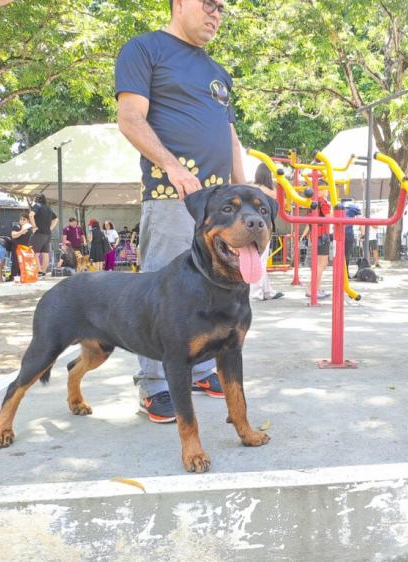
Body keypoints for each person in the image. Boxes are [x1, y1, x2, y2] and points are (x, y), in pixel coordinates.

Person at [116, 0, 245, 422]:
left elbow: (230, 136)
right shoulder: (145, 48)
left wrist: (244, 190)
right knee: (164, 294)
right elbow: (130, 118)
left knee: (217, 287)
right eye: (208, 4)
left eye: (221, 8)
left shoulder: (218, 71)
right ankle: (155, 385)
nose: (216, 14)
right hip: (171, 195)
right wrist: (172, 166)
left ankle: (202, 369)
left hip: (220, 209)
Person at [249, 163, 283, 301]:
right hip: (264, 227)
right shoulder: (271, 191)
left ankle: (267, 291)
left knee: (257, 259)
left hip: (250, 227)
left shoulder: (251, 188)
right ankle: (256, 292)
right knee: (260, 260)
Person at [305, 194, 331, 300]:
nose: (327, 191)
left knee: (321, 264)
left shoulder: (311, 201)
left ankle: (315, 288)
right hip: (322, 236)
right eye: (325, 188)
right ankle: (312, 289)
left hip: (316, 235)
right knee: (321, 264)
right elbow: (330, 217)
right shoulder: (322, 202)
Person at [29, 193, 58, 276]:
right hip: (48, 234)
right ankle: (44, 271)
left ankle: (39, 271)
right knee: (45, 253)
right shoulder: (48, 208)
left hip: (39, 233)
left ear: (36, 199)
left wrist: (34, 226)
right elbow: (56, 219)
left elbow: (31, 215)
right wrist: (50, 228)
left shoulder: (37, 205)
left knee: (34, 252)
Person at [10, 213, 34, 281]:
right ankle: (13, 278)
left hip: (25, 249)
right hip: (17, 248)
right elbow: (13, 235)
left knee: (24, 264)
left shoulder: (30, 228)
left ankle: (24, 277)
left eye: (24, 219)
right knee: (16, 263)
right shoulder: (17, 226)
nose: (22, 221)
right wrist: (21, 232)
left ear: (28, 220)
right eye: (21, 219)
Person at [344, 204, 361, 278]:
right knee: (347, 254)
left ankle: (341, 273)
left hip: (338, 233)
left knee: (339, 255)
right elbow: (360, 219)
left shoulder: (338, 206)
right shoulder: (354, 207)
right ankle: (346, 273)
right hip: (348, 233)